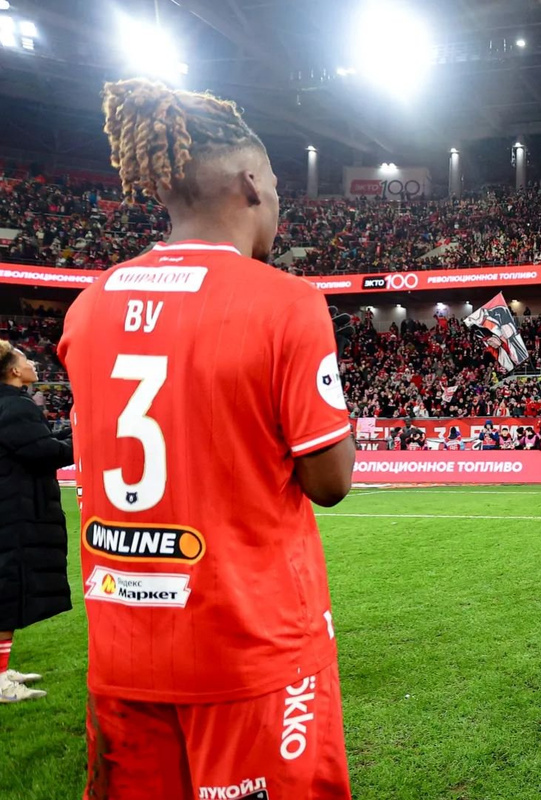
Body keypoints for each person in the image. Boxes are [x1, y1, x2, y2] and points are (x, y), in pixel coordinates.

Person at [58, 79, 355, 796]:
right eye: (276, 184)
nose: (278, 200)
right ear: (251, 183)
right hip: (252, 650)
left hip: (124, 653)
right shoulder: (287, 303)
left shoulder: (89, 305)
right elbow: (330, 482)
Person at [0, 342, 74, 703]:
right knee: (7, 594)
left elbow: (39, 442)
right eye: (26, 358)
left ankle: (2, 671)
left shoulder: (10, 405)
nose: (33, 363)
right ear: (14, 370)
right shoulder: (15, 406)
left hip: (11, 508)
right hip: (15, 513)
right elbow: (44, 452)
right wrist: (88, 439)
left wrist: (73, 435)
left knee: (8, 592)